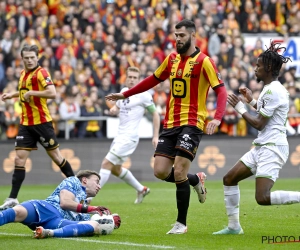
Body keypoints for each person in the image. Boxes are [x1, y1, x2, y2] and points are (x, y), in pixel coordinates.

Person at [106, 19, 227, 234]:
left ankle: (181, 223)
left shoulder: (204, 61)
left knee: (179, 169)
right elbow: (152, 80)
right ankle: (196, 180)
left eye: (181, 36)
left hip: (193, 122)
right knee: (160, 171)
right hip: (170, 123)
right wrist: (125, 93)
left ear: (192, 35)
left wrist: (217, 117)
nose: (177, 39)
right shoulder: (171, 59)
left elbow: (221, 90)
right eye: (176, 35)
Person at [213, 41, 297, 235]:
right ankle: (234, 227)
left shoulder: (273, 90)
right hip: (263, 146)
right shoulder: (272, 88)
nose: (255, 68)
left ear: (268, 67)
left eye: (258, 65)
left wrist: (240, 108)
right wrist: (251, 101)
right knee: (229, 178)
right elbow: (266, 112)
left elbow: (259, 123)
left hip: (273, 147)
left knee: (263, 198)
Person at [0, 44, 75, 210]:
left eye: (32, 57)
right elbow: (23, 91)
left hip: (42, 123)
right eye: (26, 58)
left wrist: (32, 93)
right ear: (22, 59)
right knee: (19, 159)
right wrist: (11, 95)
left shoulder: (42, 73)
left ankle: (79, 189)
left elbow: (52, 93)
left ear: (37, 57)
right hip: (26, 124)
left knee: (57, 157)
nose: (29, 60)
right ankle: (13, 198)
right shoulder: (22, 74)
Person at [99, 66, 160, 204]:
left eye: (135, 78)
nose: (132, 80)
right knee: (115, 169)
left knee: (106, 163)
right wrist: (114, 109)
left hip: (129, 138)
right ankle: (141, 189)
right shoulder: (124, 92)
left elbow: (155, 114)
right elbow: (118, 106)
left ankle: (87, 198)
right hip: (119, 136)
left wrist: (155, 136)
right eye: (130, 77)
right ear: (126, 78)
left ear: (139, 80)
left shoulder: (144, 95)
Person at [0, 170, 121, 238]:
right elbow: (65, 203)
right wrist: (92, 208)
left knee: (94, 225)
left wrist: (109, 221)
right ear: (84, 180)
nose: (99, 186)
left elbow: (89, 221)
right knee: (18, 212)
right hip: (46, 209)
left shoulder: (85, 204)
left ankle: (48, 233)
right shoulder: (73, 181)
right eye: (97, 182)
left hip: (57, 222)